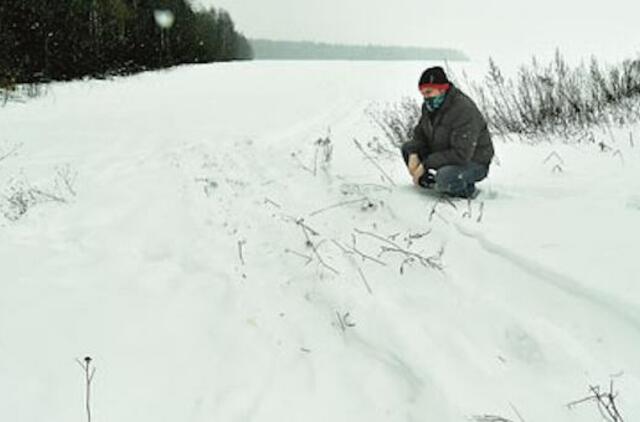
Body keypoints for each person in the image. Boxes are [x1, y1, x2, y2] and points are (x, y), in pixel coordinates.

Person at [401, 66, 494, 198]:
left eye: (429, 92)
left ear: (442, 89)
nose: (425, 97)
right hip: (445, 153)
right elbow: (420, 133)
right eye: (423, 93)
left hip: (474, 161)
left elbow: (461, 154)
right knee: (407, 148)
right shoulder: (429, 107)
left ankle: (465, 190)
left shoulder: (463, 109)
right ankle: (433, 184)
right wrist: (413, 153)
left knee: (445, 177)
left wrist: (425, 164)